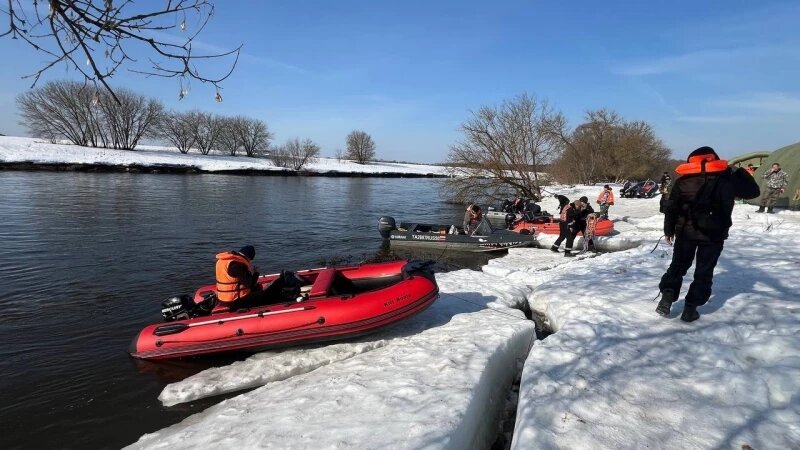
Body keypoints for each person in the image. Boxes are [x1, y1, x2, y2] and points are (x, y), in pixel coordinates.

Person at [656, 146, 760, 322]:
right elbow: (753, 192)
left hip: (686, 232)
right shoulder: (726, 180)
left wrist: (669, 230)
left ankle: (668, 293)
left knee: (678, 266)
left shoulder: (683, 181)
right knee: (704, 271)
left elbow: (671, 208)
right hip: (714, 234)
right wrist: (736, 170)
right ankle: (690, 309)